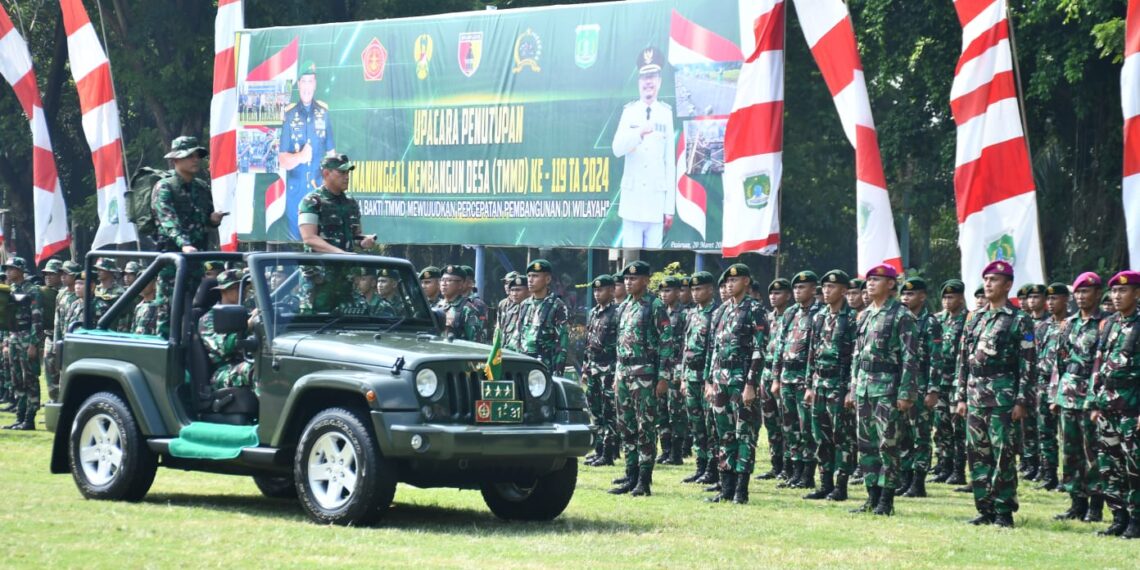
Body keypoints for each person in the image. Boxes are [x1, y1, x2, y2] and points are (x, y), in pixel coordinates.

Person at [955, 261, 1035, 528]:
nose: (988, 284)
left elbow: (1027, 363)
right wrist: (961, 396)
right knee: (977, 453)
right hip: (975, 396)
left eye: (995, 279)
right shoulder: (975, 318)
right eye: (986, 279)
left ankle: (1003, 510)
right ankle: (985, 507)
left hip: (1003, 397)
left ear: (1008, 285)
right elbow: (963, 359)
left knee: (1002, 454)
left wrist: (1022, 400)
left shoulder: (1019, 319)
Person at [847, 264, 918, 516]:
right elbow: (856, 355)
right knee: (866, 444)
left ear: (891, 284)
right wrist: (853, 387)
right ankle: (871, 496)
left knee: (887, 445)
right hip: (865, 388)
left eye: (877, 280)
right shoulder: (865, 315)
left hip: (887, 388)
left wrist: (905, 393)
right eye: (869, 280)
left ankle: (886, 500)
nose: (870, 284)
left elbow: (911, 358)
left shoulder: (901, 315)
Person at [609, 261, 673, 497]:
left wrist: (663, 377)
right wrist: (617, 374)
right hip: (624, 374)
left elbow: (667, 343)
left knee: (645, 427)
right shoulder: (624, 306)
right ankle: (631, 475)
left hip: (645, 375)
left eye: (634, 279)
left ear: (646, 280)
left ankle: (644, 480)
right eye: (626, 279)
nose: (628, 282)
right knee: (626, 427)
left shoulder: (654, 305)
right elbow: (620, 343)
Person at [705, 263, 767, 503]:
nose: (729, 284)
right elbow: (714, 349)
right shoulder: (721, 312)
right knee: (724, 434)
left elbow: (759, 350)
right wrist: (709, 382)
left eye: (735, 280)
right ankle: (726, 488)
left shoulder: (755, 310)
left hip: (742, 381)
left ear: (746, 282)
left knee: (745, 434)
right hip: (720, 380)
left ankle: (741, 490)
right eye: (727, 281)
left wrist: (751, 384)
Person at [152, 136, 225, 337]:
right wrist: (184, 244)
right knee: (168, 314)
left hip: (195, 262)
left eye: (197, 156)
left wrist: (213, 219)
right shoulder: (164, 187)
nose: (195, 160)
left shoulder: (201, 188)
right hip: (171, 264)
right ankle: (164, 358)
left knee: (193, 314)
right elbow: (168, 222)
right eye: (189, 156)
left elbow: (206, 219)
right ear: (176, 160)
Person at [1052, 271, 1109, 523]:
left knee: (1092, 452)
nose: (1082, 296)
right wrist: (1056, 394)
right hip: (1069, 395)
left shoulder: (1106, 323)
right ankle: (1076, 502)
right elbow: (1061, 360)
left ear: (1098, 294)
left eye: (1087, 291)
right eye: (1078, 292)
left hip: (1092, 397)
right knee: (1070, 452)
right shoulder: (1069, 324)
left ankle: (1095, 505)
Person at [1088, 271, 1140, 538]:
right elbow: (1098, 364)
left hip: (1132, 409)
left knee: (1135, 466)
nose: (1117, 296)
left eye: (1124, 291)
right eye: (1115, 292)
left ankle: (1136, 520)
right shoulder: (1108, 325)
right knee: (1110, 466)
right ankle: (1118, 517)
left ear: (1137, 294)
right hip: (1107, 408)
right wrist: (1094, 403)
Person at [612, 47, 675, 249]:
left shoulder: (666, 113)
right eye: (645, 77)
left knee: (651, 263)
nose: (649, 82)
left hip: (656, 203)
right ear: (639, 82)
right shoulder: (630, 112)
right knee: (631, 263)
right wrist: (637, 133)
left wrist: (669, 208)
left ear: (659, 81)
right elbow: (617, 149)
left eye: (653, 76)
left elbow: (670, 163)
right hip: (633, 203)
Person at [803, 270, 857, 501]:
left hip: (839, 384)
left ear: (844, 291)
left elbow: (856, 357)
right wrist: (809, 385)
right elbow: (811, 354)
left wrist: (850, 389)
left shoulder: (853, 319)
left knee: (842, 437)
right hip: (820, 384)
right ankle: (825, 483)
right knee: (820, 436)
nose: (826, 291)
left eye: (832, 287)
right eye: (824, 287)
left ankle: (841, 485)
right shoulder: (819, 317)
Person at [297, 154, 374, 313]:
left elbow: (355, 235)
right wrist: (340, 254)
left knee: (349, 324)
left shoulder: (351, 203)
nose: (347, 177)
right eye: (341, 173)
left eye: (348, 173)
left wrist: (363, 241)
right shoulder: (312, 201)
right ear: (326, 173)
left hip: (345, 280)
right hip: (319, 281)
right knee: (313, 324)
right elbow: (309, 238)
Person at [896, 277, 943, 498]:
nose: (906, 298)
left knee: (921, 436)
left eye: (911, 294)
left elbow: (936, 359)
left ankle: (918, 482)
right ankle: (905, 478)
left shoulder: (930, 323)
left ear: (922, 297)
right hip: (903, 387)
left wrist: (933, 390)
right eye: (903, 294)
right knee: (902, 434)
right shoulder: (901, 319)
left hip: (922, 386)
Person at [773, 271, 820, 489]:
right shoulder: (790, 313)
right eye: (796, 288)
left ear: (813, 289)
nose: (798, 291)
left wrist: (811, 382)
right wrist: (776, 378)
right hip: (786, 378)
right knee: (789, 427)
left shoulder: (820, 313)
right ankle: (795, 470)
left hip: (804, 379)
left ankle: (807, 473)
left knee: (806, 428)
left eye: (803, 287)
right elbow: (779, 347)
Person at [279, 61, 336, 239]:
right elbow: (282, 160)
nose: (307, 86)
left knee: (320, 241)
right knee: (297, 246)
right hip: (295, 194)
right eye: (303, 81)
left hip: (318, 192)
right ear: (298, 84)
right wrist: (300, 156)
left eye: (310, 81)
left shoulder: (324, 112)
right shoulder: (289, 115)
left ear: (315, 83)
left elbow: (332, 155)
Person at [680, 271, 718, 482]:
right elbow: (686, 348)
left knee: (710, 424)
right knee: (696, 424)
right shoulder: (692, 314)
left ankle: (712, 469)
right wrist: (684, 377)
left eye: (699, 289)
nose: (695, 293)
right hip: (691, 377)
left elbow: (714, 350)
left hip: (706, 378)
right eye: (693, 289)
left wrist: (708, 380)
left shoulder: (716, 313)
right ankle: (700, 466)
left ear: (710, 290)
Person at [931, 280, 969, 486]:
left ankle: (958, 469)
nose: (947, 301)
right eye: (944, 297)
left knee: (959, 428)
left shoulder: (968, 320)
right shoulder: (937, 320)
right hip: (940, 381)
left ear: (961, 298)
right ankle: (943, 465)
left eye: (951, 297)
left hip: (957, 382)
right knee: (942, 426)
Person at [1033, 282, 1070, 491]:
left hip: (1065, 386)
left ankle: (1068, 477)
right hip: (1043, 384)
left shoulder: (1071, 324)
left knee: (1067, 435)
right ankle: (1049, 475)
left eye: (1054, 298)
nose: (1050, 302)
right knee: (1045, 432)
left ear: (1066, 299)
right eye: (1048, 299)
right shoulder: (1043, 327)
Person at [582, 275, 621, 467]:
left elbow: (622, 345)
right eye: (595, 290)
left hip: (609, 369)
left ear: (612, 291)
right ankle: (598, 450)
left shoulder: (617, 313)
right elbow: (588, 343)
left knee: (609, 413)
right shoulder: (593, 313)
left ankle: (609, 452)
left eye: (602, 290)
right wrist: (585, 367)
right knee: (595, 411)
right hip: (593, 369)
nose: (597, 294)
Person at [756, 278, 791, 481]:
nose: (773, 296)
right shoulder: (768, 318)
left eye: (778, 293)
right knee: (770, 423)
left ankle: (789, 467)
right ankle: (776, 465)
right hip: (766, 374)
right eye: (771, 293)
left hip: (784, 375)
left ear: (787, 295)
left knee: (787, 423)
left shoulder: (792, 317)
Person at [2, 257, 43, 430]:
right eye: (7, 269)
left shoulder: (32, 290)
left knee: (30, 379)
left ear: (20, 270)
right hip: (13, 337)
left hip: (27, 337)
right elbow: (6, 317)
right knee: (16, 379)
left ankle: (29, 418)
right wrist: (5, 340)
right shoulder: (10, 290)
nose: (8, 272)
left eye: (12, 268)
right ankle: (20, 417)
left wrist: (34, 343)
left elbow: (37, 318)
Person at [200, 270, 258, 390]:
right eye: (238, 287)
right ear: (224, 290)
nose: (245, 291)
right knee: (259, 370)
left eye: (246, 286)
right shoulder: (208, 319)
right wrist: (248, 325)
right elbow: (222, 347)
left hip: (252, 358)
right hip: (224, 370)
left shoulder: (248, 311)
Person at [656, 276, 687, 465]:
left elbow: (686, 345)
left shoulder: (684, 314)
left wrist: (681, 370)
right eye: (662, 291)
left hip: (676, 368)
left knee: (676, 411)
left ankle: (676, 453)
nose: (664, 294)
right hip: (661, 368)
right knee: (661, 411)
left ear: (678, 292)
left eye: (668, 291)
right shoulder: (660, 313)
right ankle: (665, 450)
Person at [518, 260, 569, 375]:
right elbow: (519, 337)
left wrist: (558, 372)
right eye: (529, 276)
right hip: (524, 363)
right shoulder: (524, 305)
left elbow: (562, 344)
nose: (530, 280)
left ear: (547, 279)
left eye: (535, 276)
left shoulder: (557, 305)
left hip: (545, 366)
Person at [46, 261, 81, 402]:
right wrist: (56, 343)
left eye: (66, 274)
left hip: (73, 344)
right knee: (52, 373)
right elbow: (57, 321)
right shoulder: (61, 294)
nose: (62, 277)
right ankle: (55, 402)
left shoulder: (80, 296)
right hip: (61, 340)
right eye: (62, 274)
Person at [440, 265, 482, 342]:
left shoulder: (468, 310)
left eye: (449, 280)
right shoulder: (437, 307)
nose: (444, 283)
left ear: (460, 285)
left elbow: (475, 342)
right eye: (442, 280)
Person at [91, 258, 129, 332]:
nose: (98, 272)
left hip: (111, 332)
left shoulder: (120, 292)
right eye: (98, 269)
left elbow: (123, 317)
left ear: (110, 271)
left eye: (101, 269)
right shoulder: (94, 289)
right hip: (94, 331)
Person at [499, 275, 529, 352]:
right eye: (512, 290)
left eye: (518, 290)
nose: (514, 294)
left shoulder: (533, 310)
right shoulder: (511, 310)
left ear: (529, 291)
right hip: (508, 354)